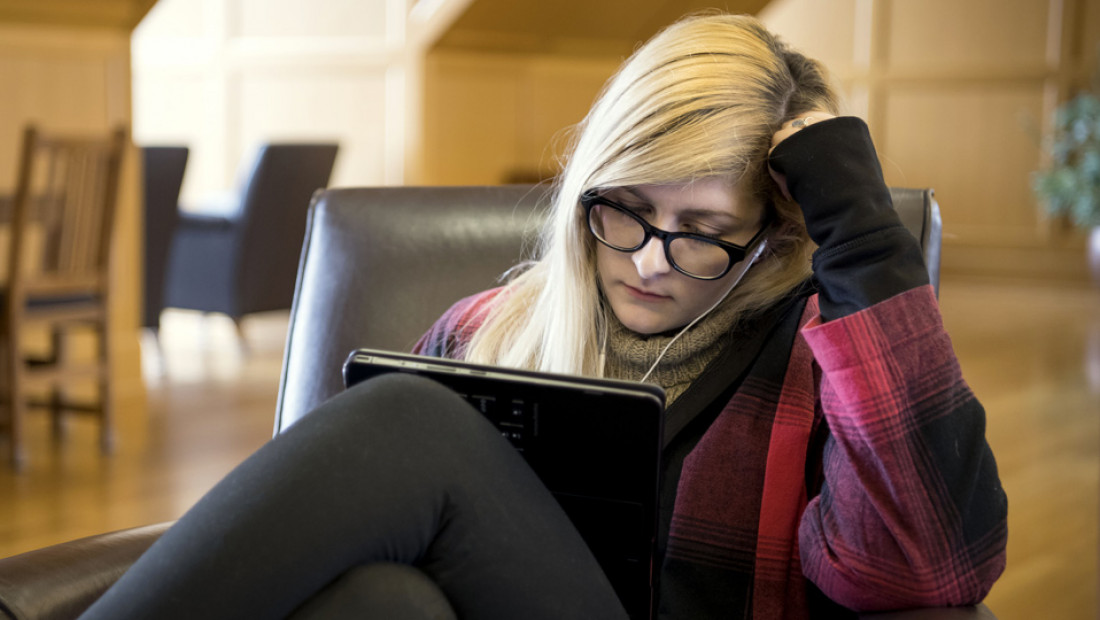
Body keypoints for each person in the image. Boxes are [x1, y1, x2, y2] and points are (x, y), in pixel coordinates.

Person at [80, 12, 1006, 620]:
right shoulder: (491, 325)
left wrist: (864, 234)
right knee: (382, 601)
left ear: (769, 234)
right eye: (627, 211)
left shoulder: (813, 361)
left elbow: (929, 567)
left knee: (409, 417)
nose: (648, 259)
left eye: (703, 232)